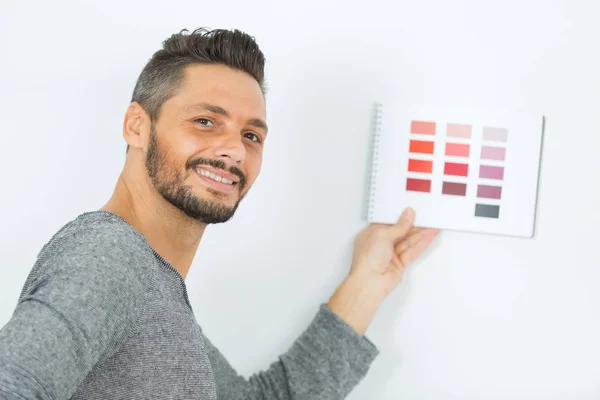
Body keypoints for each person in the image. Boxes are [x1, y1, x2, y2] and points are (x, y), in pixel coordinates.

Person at [0, 28, 439, 399]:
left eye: (252, 134)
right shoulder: (110, 257)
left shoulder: (157, 293)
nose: (234, 149)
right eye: (206, 121)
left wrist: (368, 281)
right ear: (137, 125)